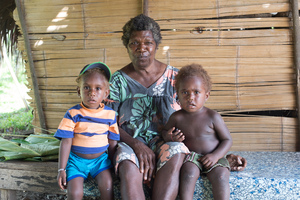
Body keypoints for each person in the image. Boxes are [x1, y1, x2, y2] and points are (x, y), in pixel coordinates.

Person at [106, 14, 246, 200]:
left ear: (156, 45)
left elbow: (198, 119)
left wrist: (219, 155)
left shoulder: (176, 78)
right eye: (134, 43)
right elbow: (108, 122)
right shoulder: (117, 81)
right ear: (127, 46)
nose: (142, 49)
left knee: (177, 151)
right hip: (131, 144)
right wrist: (136, 144)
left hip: (168, 143)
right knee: (128, 169)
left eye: (148, 42)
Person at [162, 64, 232, 200]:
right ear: (178, 96)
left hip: (214, 157)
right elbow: (164, 132)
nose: (190, 97)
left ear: (206, 95)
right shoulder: (177, 117)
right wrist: (170, 137)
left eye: (196, 92)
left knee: (221, 176)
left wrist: (215, 156)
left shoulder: (213, 116)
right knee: (187, 173)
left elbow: (227, 140)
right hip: (192, 158)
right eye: (185, 92)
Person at [55, 62, 120, 200]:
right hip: (76, 162)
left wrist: (114, 163)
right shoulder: (73, 113)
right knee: (75, 193)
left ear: (105, 93)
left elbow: (112, 141)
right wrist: (61, 169)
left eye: (98, 88)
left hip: (100, 161)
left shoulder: (110, 115)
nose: (92, 93)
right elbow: (66, 142)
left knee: (107, 186)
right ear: (78, 91)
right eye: (86, 88)